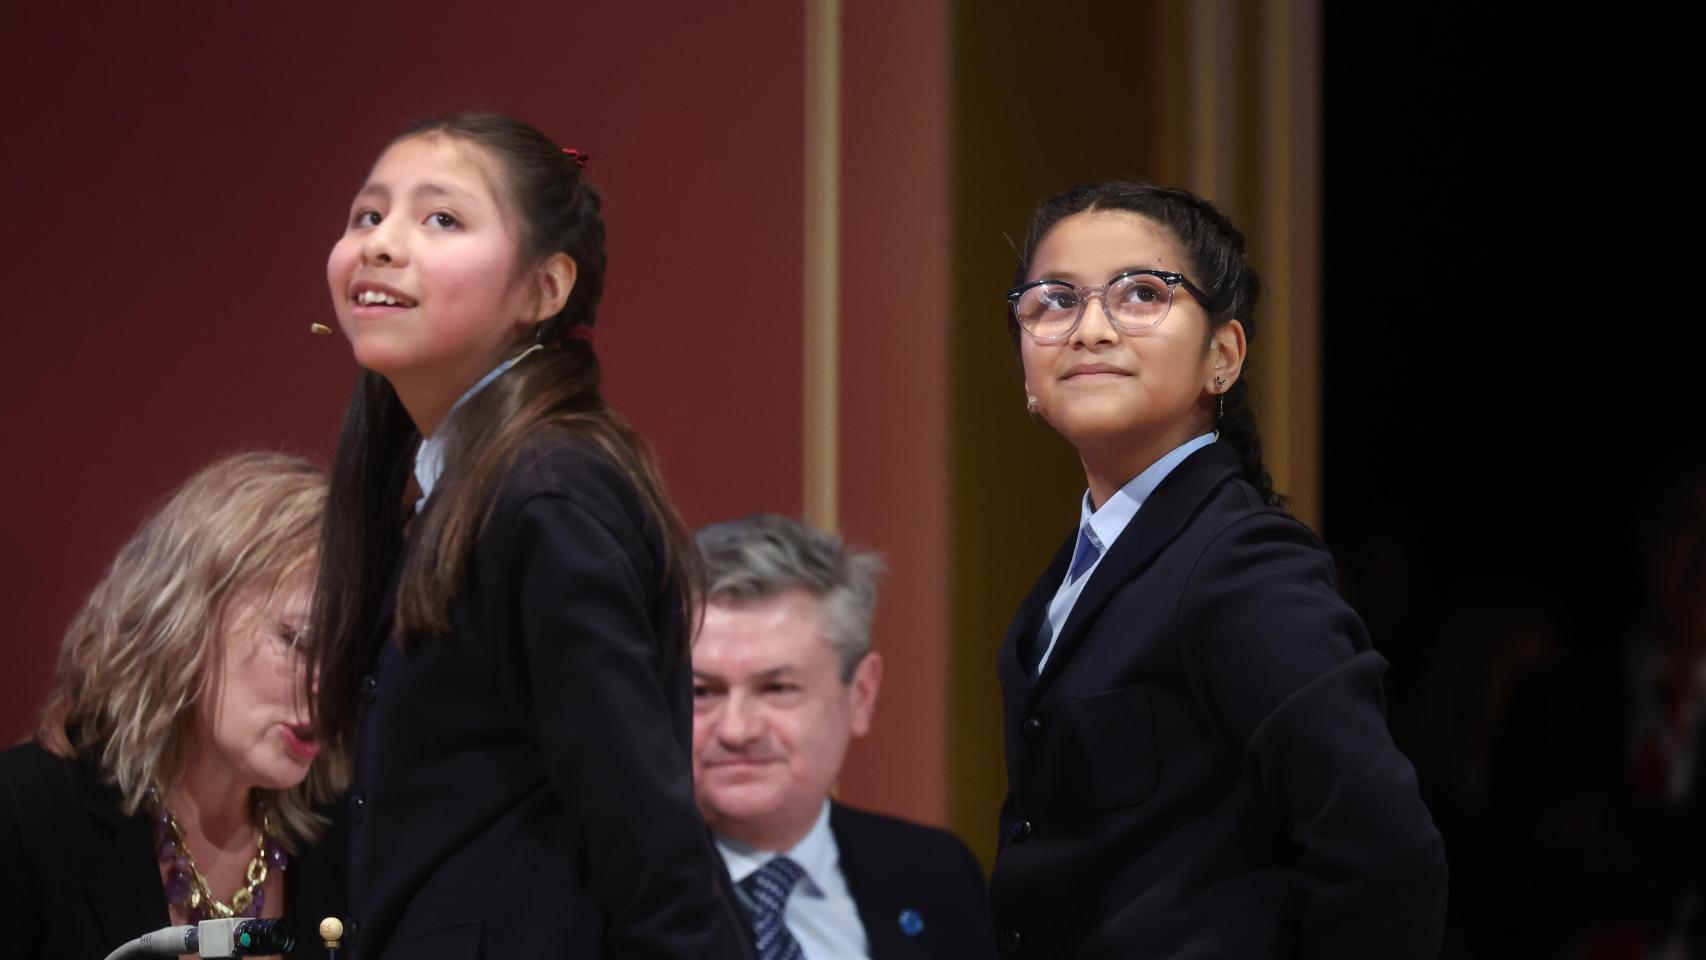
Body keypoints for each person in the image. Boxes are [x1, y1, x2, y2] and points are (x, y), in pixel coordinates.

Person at [309, 112, 754, 959]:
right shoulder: (459, 487)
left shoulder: (545, 495)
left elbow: (648, 843)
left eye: (441, 218)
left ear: (544, 289)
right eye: (368, 215)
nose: (381, 244)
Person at [987, 181, 1447, 958]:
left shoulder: (1242, 563)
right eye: (1054, 301)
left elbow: (1387, 854)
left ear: (1223, 357)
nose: (1089, 329)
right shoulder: (1089, 562)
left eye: (1141, 294)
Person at [0, 451, 345, 960]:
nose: (327, 687)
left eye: (348, 652)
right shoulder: (24, 815)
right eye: (298, 639)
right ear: (186, 615)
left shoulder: (350, 834)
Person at [690, 514, 995, 960]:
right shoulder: (597, 889)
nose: (737, 730)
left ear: (861, 696)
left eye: (777, 689)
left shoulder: (936, 872)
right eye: (702, 692)